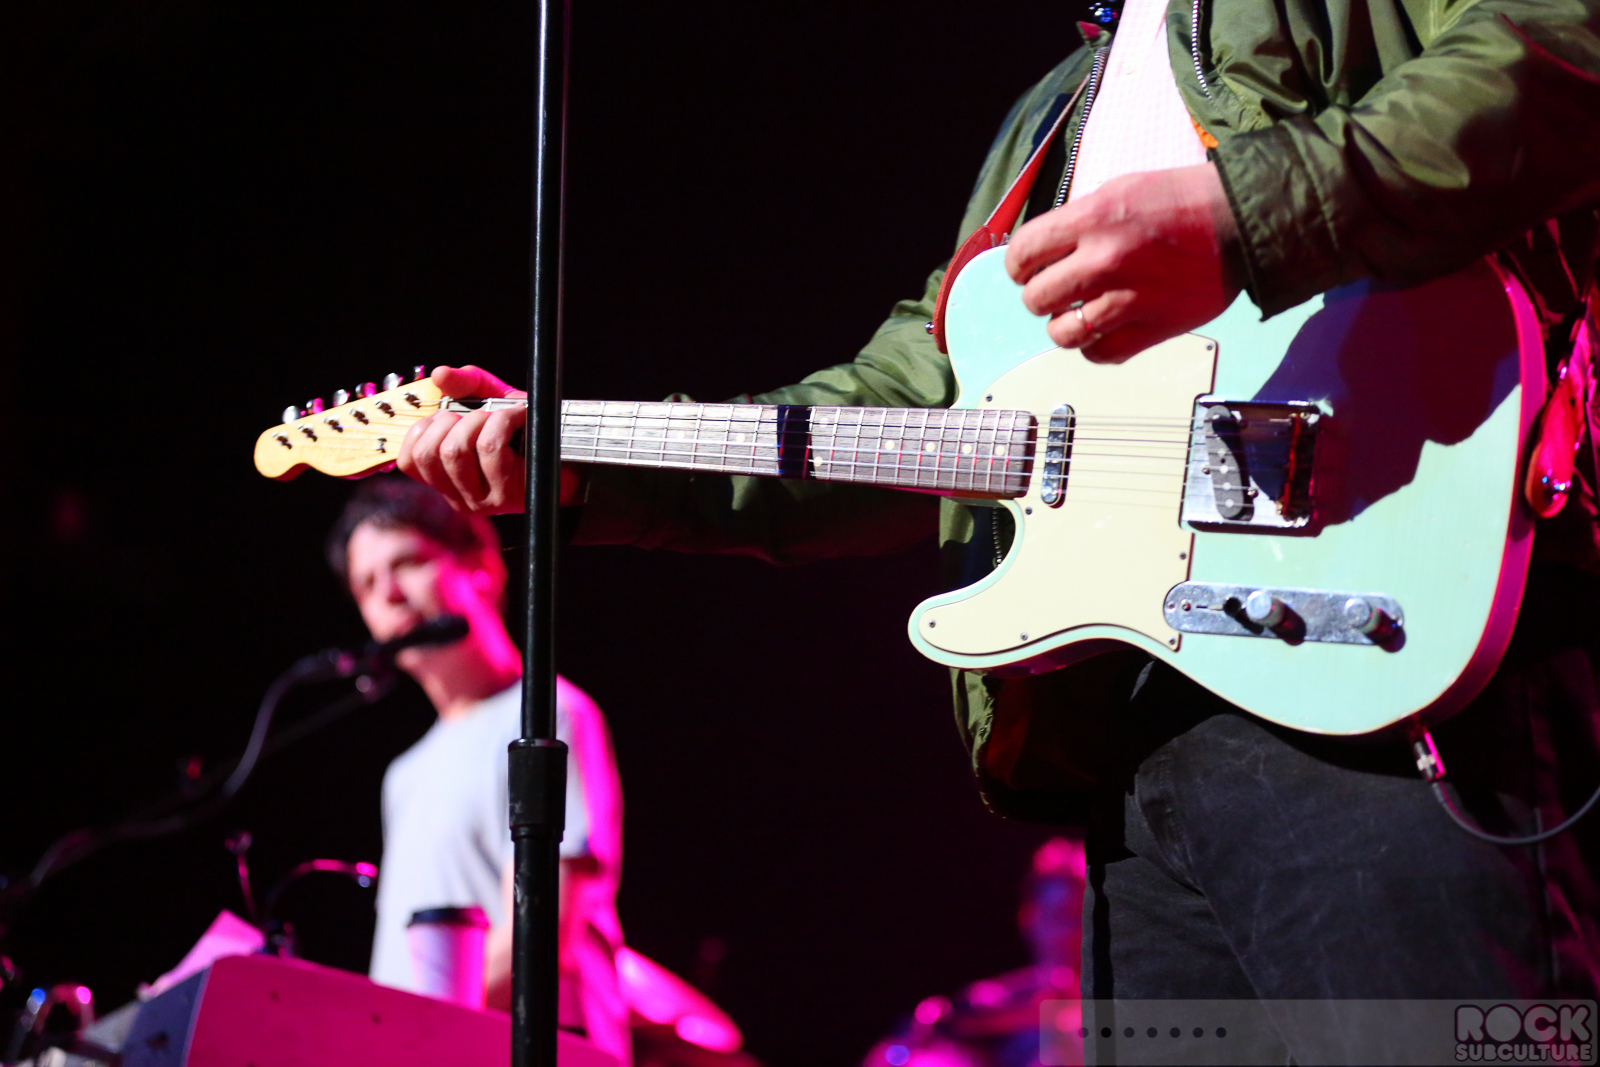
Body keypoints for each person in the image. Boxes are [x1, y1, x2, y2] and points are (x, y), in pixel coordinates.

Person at [395, 0, 1600, 1058]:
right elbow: (900, 410)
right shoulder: (1054, 115)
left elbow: (1563, 44)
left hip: (1392, 670)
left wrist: (1243, 214)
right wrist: (585, 465)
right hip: (1135, 739)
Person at [328, 476, 630, 1062]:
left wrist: (399, 1036)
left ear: (482, 568)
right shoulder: (404, 774)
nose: (388, 593)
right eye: (366, 584)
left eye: (408, 562)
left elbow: (543, 932)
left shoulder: (548, 715)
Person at [861, 837, 1085, 1067]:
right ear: (1029, 918)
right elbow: (891, 1056)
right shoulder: (991, 1000)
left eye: (1083, 919)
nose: (1071, 932)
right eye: (1061, 916)